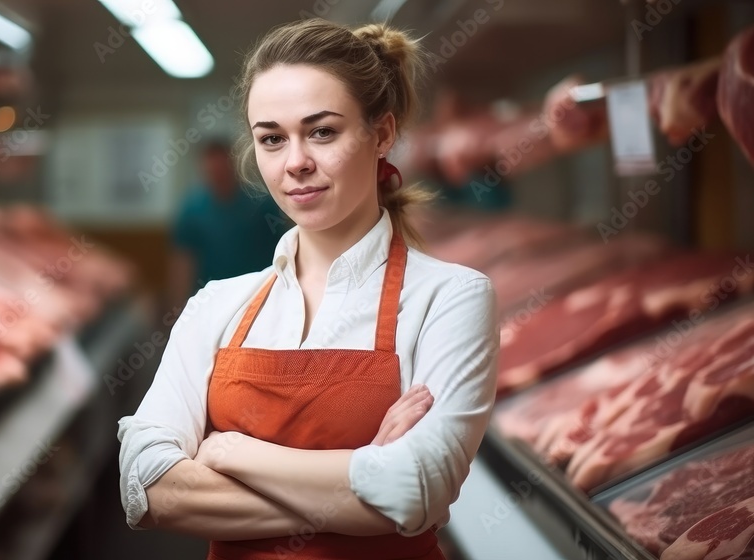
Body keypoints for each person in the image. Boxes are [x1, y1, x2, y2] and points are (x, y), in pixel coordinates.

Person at [118, 18, 498, 560]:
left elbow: (417, 488)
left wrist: (232, 453)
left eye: (322, 131)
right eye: (272, 139)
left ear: (382, 132)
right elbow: (148, 488)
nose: (295, 162)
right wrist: (364, 489)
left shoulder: (450, 298)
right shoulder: (215, 306)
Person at [168, 140, 288, 312]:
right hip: (209, 299)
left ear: (234, 166)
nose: (218, 173)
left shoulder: (262, 204)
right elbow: (183, 261)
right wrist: (178, 307)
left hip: (258, 294)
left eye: (222, 167)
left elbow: (284, 250)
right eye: (212, 168)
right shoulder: (193, 210)